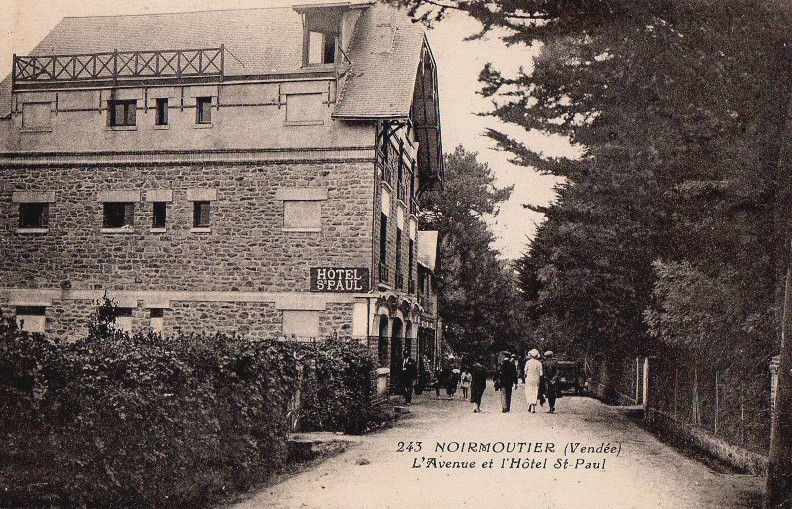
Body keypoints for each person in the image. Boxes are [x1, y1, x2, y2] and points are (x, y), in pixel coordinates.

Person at [524, 349, 543, 413]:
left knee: (528, 391)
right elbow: (541, 374)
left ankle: (529, 403)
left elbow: (525, 372)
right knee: (535, 392)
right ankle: (533, 407)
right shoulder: (539, 363)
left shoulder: (528, 362)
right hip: (536, 379)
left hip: (529, 379)